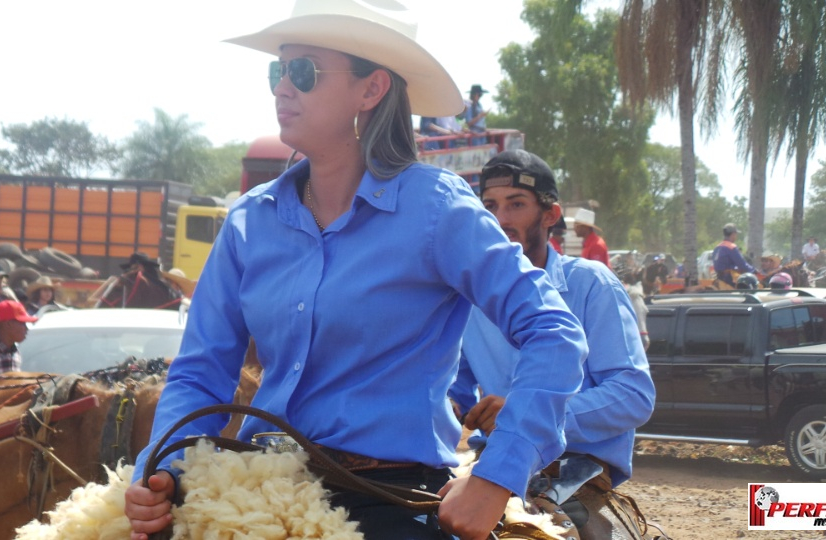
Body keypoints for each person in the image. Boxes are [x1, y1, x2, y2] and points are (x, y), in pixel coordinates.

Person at [125, 3, 588, 539]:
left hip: (385, 500)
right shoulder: (250, 220)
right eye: (278, 70)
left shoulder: (438, 209)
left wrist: (496, 475)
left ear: (371, 91)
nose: (281, 88)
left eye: (304, 72)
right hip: (251, 489)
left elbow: (554, 332)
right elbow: (201, 371)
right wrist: (159, 469)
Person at [450, 150, 655, 495]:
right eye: (490, 206)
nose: (500, 220)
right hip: (493, 459)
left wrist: (524, 416)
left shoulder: (592, 285)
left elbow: (633, 396)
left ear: (550, 215)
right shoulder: (470, 297)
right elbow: (456, 390)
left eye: (516, 204)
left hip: (575, 468)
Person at [712, 223, 756, 287]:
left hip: (719, 277)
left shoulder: (717, 247)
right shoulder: (731, 247)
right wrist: (754, 271)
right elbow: (742, 264)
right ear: (733, 234)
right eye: (736, 234)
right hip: (729, 279)